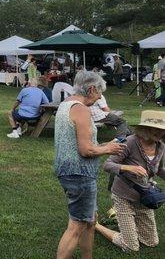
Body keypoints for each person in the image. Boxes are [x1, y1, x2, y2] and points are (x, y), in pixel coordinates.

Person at [54, 71, 126, 259]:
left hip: (68, 170)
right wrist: (108, 148)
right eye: (100, 92)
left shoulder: (65, 104)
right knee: (76, 226)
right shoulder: (81, 109)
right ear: (91, 89)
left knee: (90, 220)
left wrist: (104, 145)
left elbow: (76, 143)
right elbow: (86, 150)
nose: (101, 97)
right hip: (79, 174)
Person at [96, 110, 165, 252]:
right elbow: (107, 165)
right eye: (156, 128)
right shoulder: (130, 142)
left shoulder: (161, 146)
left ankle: (124, 222)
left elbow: (159, 170)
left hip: (144, 197)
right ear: (145, 128)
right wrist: (129, 168)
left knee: (151, 242)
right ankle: (95, 225)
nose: (159, 132)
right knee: (131, 246)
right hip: (123, 196)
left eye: (162, 129)